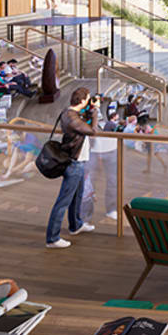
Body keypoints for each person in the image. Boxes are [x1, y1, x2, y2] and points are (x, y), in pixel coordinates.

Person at [45, 88, 96, 249]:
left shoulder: (72, 114)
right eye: (87, 99)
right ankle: (52, 238)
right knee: (63, 201)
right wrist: (95, 113)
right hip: (74, 163)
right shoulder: (71, 118)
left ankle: (76, 225)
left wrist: (90, 110)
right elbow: (92, 131)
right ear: (82, 101)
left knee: (77, 196)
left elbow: (83, 126)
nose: (88, 101)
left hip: (78, 162)